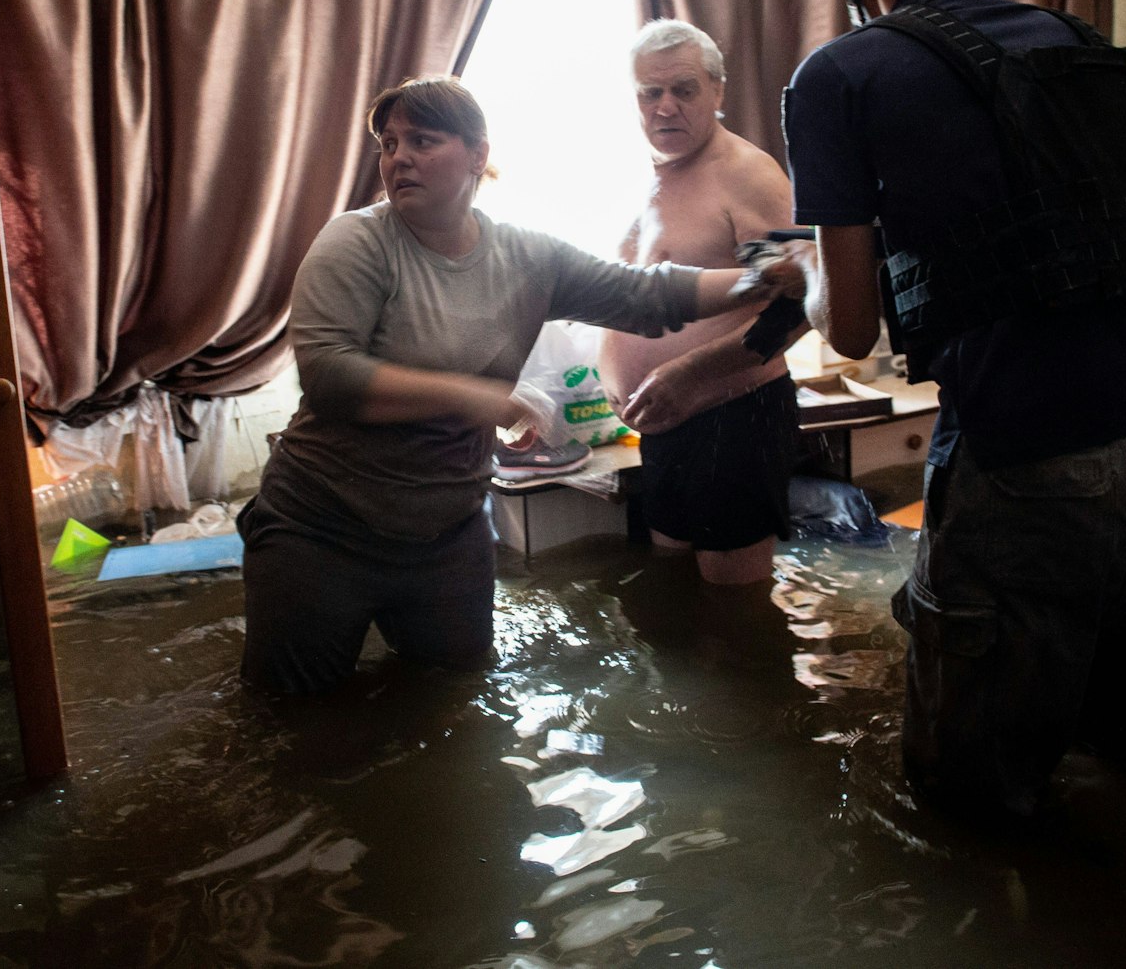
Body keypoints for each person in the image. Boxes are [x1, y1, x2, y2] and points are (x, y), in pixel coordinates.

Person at [782, 0, 1126, 818]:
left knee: (965, 798)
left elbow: (847, 328)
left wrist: (803, 268)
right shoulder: (1083, 47)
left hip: (1031, 459)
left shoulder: (838, 75)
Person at [238, 77, 798, 696]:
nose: (399, 157)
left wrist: (759, 279)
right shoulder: (355, 242)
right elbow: (329, 375)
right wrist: (480, 397)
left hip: (446, 533)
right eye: (389, 143)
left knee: (453, 702)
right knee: (292, 722)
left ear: (478, 155)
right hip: (320, 529)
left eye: (422, 141)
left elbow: (646, 292)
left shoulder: (526, 256)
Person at [599, 20, 804, 587]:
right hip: (665, 423)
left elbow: (801, 305)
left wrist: (689, 372)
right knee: (672, 591)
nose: (666, 107)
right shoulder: (649, 177)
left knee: (736, 609)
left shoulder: (745, 175)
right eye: (650, 92)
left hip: (734, 415)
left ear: (717, 91)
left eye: (683, 90)